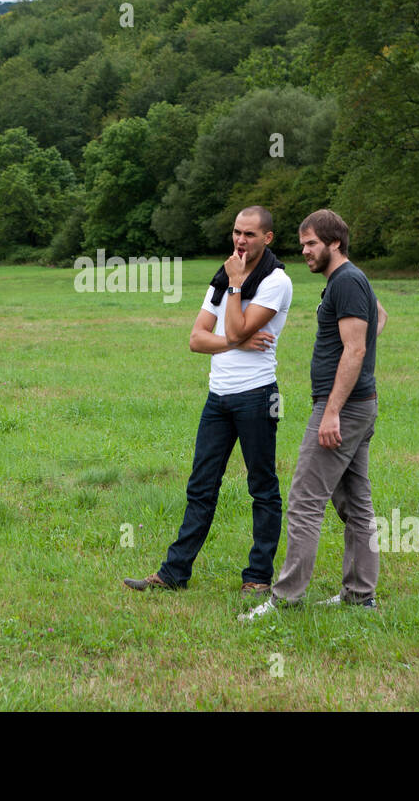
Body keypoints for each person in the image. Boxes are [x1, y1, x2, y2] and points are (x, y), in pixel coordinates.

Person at [123, 205, 293, 594]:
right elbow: (196, 339)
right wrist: (235, 339)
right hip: (218, 397)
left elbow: (234, 325)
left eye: (249, 234)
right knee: (201, 486)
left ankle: (257, 578)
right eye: (236, 232)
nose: (240, 240)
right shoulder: (223, 275)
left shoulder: (276, 281)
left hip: (256, 395)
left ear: (267, 238)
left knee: (261, 486)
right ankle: (173, 574)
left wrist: (235, 290)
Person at [240, 208, 387, 620]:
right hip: (357, 404)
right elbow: (379, 318)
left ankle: (285, 599)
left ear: (334, 243)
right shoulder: (347, 281)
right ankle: (360, 595)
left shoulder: (347, 281)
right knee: (355, 504)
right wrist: (357, 356)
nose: (303, 251)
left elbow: (356, 347)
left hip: (343, 407)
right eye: (302, 243)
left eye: (311, 244)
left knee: (305, 501)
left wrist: (332, 411)